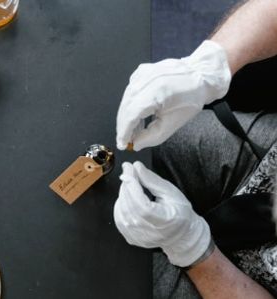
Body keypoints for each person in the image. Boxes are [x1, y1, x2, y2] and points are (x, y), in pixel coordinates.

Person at [113, 0, 277, 298]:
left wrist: (192, 248)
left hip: (245, 286)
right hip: (266, 163)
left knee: (101, 273)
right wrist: (207, 69)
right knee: (121, 150)